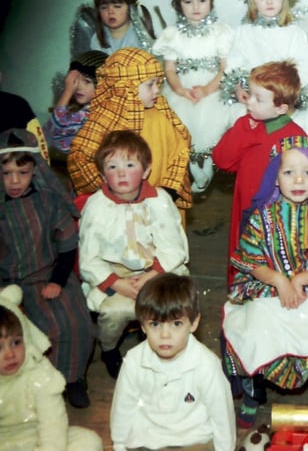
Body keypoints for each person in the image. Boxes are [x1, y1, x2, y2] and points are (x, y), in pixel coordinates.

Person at [222, 138, 308, 428]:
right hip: (268, 288)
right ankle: (253, 394)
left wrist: (300, 279)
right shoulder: (262, 218)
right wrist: (280, 280)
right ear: (276, 179)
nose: (298, 180)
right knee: (255, 323)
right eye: (289, 172)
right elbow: (251, 260)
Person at [78, 131, 190, 379]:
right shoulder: (96, 207)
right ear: (102, 174)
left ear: (146, 170)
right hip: (115, 274)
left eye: (130, 165)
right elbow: (88, 257)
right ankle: (108, 349)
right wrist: (117, 284)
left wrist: (152, 275)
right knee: (114, 313)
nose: (121, 173)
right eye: (112, 166)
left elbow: (173, 247)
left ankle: (168, 347)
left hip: (158, 271)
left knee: (167, 308)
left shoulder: (159, 201)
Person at [0, 129, 95, 408]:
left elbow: (67, 246)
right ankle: (31, 387)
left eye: (23, 172)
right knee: (31, 331)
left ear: (35, 171)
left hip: (50, 274)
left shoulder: (48, 202)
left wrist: (57, 280)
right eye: (7, 174)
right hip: (9, 283)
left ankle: (73, 379)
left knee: (76, 323)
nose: (15, 180)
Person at [111, 273, 236, 451]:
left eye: (176, 324)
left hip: (193, 440)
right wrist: (119, 445)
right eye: (155, 324)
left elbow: (222, 416)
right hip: (147, 440)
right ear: (142, 326)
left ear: (193, 323)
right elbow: (123, 407)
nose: (165, 335)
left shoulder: (206, 365)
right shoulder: (134, 361)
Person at [213, 60, 308, 286]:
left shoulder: (295, 138)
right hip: (246, 211)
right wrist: (243, 129)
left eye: (258, 99)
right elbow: (222, 160)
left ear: (281, 108)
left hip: (278, 219)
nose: (249, 102)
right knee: (243, 263)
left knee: (273, 267)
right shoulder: (247, 125)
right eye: (250, 94)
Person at [67, 47, 193, 219]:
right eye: (150, 84)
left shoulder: (162, 116)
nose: (157, 90)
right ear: (126, 87)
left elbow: (180, 154)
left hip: (160, 206)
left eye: (158, 83)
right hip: (115, 210)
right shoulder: (103, 121)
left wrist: (167, 192)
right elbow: (79, 159)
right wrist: (112, 190)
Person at [152, 0, 235, 193]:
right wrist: (179, 89)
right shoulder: (173, 35)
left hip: (213, 86)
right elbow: (169, 69)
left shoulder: (220, 32)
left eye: (202, 0)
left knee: (214, 115)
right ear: (178, 5)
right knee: (181, 115)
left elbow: (225, 69)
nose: (196, 7)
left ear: (211, 1)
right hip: (183, 87)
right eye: (188, 1)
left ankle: (208, 159)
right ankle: (189, 161)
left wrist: (207, 89)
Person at [0, 285, 103, 450]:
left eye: (16, 343)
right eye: (0, 348)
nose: (10, 354)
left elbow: (52, 425)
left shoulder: (40, 375)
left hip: (39, 437)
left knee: (88, 441)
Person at [223, 0, 308, 121]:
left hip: (284, 95)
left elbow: (305, 66)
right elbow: (235, 64)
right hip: (255, 96)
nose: (269, 2)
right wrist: (239, 87)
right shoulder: (245, 32)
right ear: (253, 1)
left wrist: (293, 93)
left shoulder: (294, 32)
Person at [43, 50, 108, 154]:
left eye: (87, 81)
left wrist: (67, 92)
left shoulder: (93, 114)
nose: (78, 86)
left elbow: (56, 128)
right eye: (75, 80)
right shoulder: (84, 110)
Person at [90, 0, 154, 54]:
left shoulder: (140, 36)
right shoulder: (97, 39)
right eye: (104, 8)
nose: (110, 12)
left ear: (131, 8)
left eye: (117, 6)